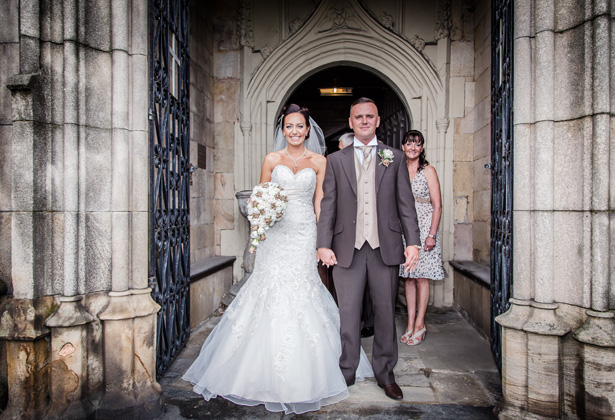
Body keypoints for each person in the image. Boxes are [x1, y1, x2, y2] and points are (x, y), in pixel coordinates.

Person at [183, 104, 373, 415]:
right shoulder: (272, 159)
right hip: (275, 234)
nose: (295, 132)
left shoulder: (320, 161)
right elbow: (262, 196)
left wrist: (321, 241)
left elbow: (321, 202)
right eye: (289, 127)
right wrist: (259, 228)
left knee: (304, 288)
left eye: (300, 127)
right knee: (268, 288)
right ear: (283, 131)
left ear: (308, 130)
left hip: (304, 234)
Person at [317, 97, 421, 401]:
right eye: (358, 117)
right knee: (347, 313)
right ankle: (346, 371)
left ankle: (386, 374)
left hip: (384, 247)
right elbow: (328, 206)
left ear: (377, 121)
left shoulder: (395, 157)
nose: (364, 121)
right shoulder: (335, 161)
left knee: (386, 313)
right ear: (350, 122)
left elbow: (406, 205)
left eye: (369, 116)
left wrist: (412, 242)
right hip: (345, 248)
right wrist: (323, 244)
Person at [399, 130, 445, 346]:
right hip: (405, 230)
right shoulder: (399, 169)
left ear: (422, 148)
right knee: (408, 277)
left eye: (417, 144)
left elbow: (437, 205)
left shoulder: (428, 170)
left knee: (421, 277)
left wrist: (432, 235)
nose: (413, 147)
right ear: (402, 146)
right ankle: (409, 323)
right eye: (409, 143)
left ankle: (420, 324)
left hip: (425, 227)